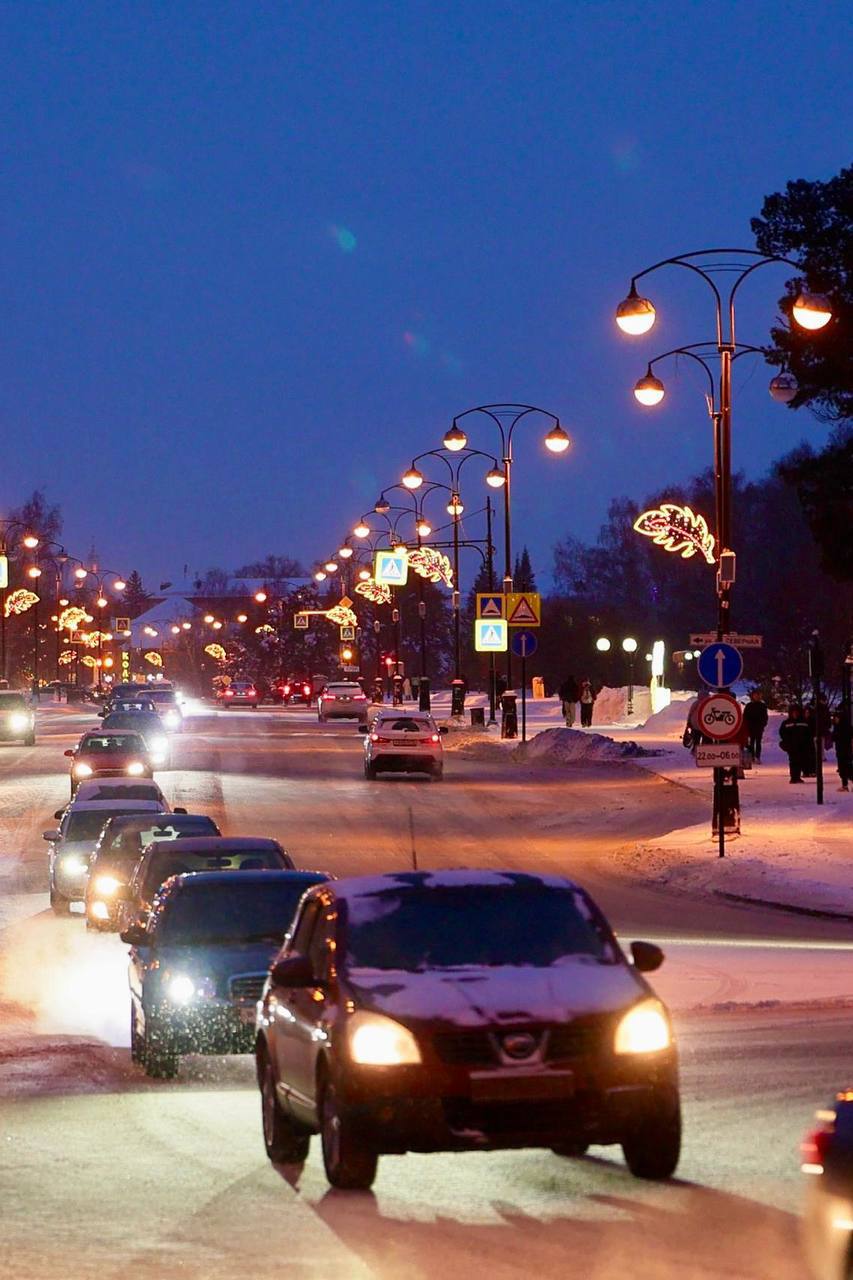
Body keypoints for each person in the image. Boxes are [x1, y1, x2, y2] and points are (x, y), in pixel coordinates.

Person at [779, 704, 811, 783]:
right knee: (793, 761)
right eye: (793, 712)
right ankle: (793, 777)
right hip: (792, 746)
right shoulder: (786, 723)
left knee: (800, 761)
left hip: (802, 745)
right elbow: (782, 733)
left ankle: (797, 776)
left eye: (796, 712)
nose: (795, 714)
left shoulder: (804, 722)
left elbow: (808, 733)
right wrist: (787, 741)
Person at [743, 690, 769, 762]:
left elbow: (765, 716)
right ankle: (752, 756)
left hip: (759, 727)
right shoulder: (749, 705)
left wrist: (763, 724)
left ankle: (758, 756)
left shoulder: (763, 706)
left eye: (758, 695)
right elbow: (745, 716)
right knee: (751, 742)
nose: (757, 696)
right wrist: (746, 725)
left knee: (758, 742)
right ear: (753, 696)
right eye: (755, 695)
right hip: (750, 727)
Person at [831, 709, 853, 792]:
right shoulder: (840, 727)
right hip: (841, 750)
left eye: (836, 718)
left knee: (847, 767)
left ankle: (845, 784)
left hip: (845, 750)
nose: (835, 719)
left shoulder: (843, 727)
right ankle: (844, 785)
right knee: (843, 768)